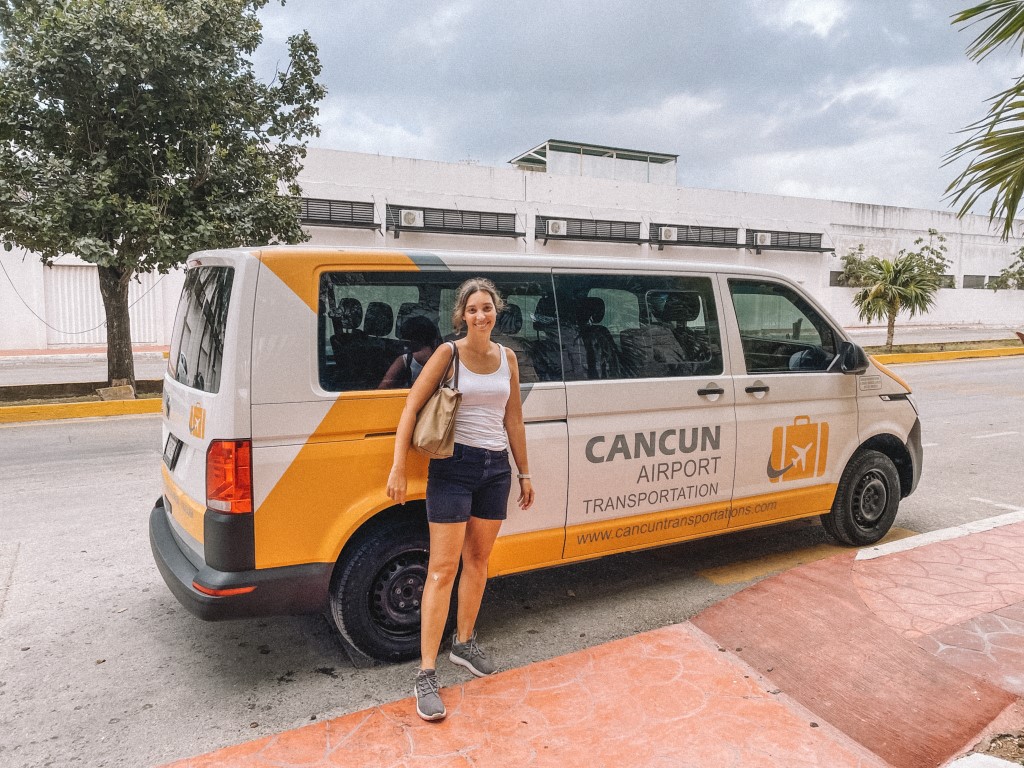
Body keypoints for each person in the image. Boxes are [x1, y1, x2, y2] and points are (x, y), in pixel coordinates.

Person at [386, 277, 535, 722]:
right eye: (472, 309)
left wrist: (524, 472)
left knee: (479, 560)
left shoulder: (507, 357)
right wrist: (397, 465)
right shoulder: (448, 354)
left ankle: (465, 643)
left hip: (495, 470)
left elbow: (514, 420)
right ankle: (427, 674)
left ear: (497, 311)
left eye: (487, 308)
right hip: (452, 468)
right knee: (441, 569)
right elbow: (411, 407)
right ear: (462, 315)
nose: (481, 315)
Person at [378, 314, 439, 389]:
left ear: (411, 339)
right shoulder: (443, 357)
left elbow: (385, 385)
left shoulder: (405, 359)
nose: (404, 342)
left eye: (405, 338)